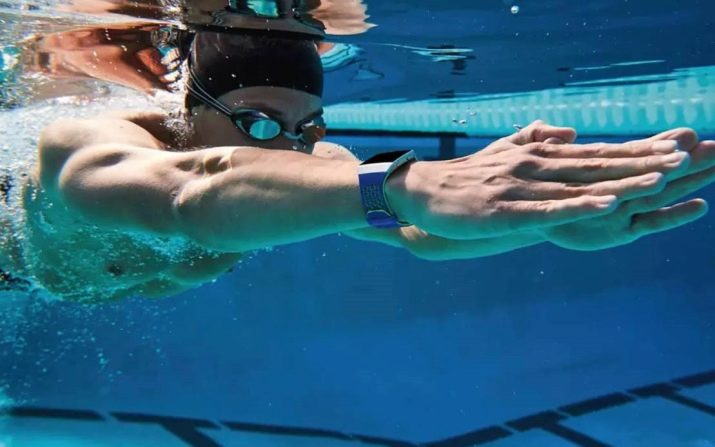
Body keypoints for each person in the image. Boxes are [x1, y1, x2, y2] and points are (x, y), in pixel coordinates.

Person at [2, 29, 714, 302]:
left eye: (306, 128)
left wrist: (545, 222)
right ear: (190, 108)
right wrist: (407, 183)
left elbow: (420, 233)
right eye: (257, 123)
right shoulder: (83, 148)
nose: (285, 150)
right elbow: (191, 192)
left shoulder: (318, 168)